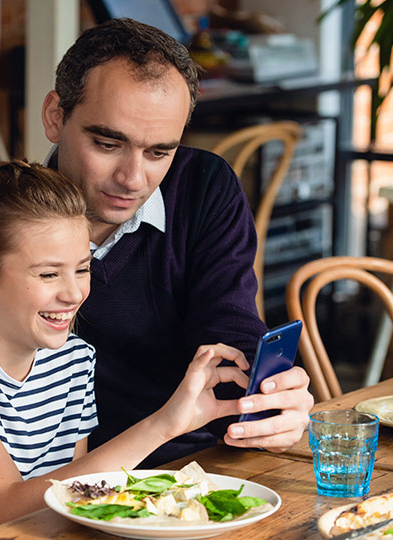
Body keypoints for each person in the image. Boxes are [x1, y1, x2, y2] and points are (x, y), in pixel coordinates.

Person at [0, 160, 251, 540]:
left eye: (82, 269)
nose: (73, 293)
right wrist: (165, 424)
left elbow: (77, 498)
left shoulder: (73, 358)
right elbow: (6, 507)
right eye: (49, 275)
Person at [40, 18, 313, 466]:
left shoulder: (204, 186)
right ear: (56, 116)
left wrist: (269, 401)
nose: (132, 179)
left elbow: (229, 325)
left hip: (195, 467)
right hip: (50, 488)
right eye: (108, 144)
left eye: (158, 152)